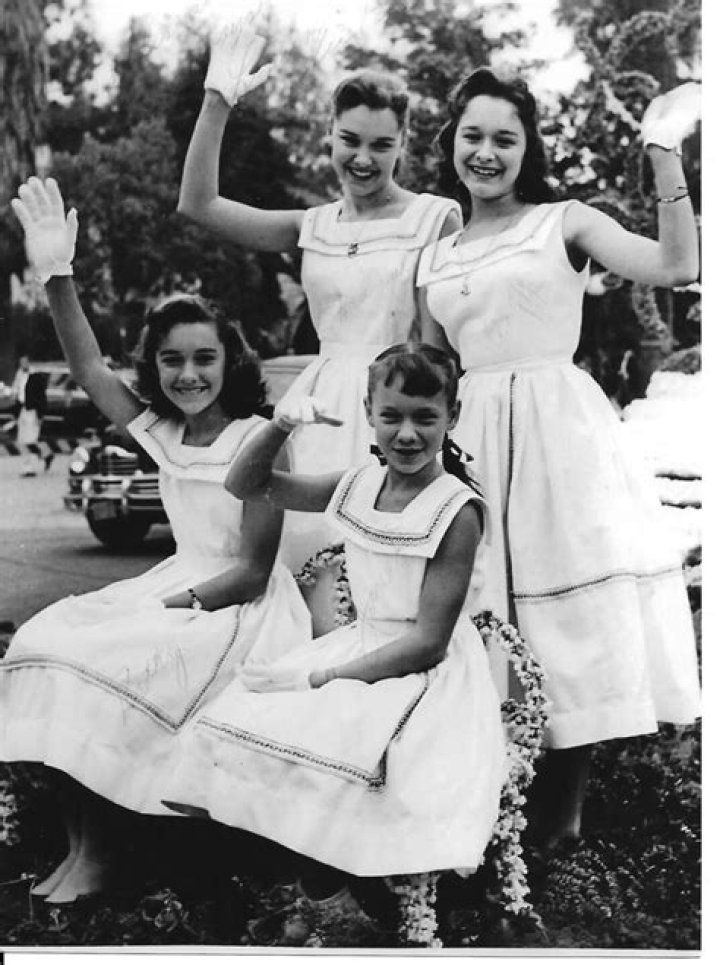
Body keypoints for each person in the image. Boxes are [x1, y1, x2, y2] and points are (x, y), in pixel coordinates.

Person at [0, 177, 312, 903]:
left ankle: (107, 853)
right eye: (172, 360)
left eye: (204, 358)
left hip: (236, 609)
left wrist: (169, 606)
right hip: (174, 586)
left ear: (230, 361)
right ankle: (82, 846)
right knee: (44, 643)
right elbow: (88, 370)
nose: (188, 374)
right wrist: (57, 274)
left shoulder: (258, 438)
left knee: (105, 660)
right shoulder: (164, 432)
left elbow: (253, 571)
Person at [416, 68, 702, 851]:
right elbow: (430, 368)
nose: (486, 152)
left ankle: (561, 824)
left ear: (528, 148)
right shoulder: (434, 256)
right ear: (451, 144)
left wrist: (662, 153)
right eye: (473, 136)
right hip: (472, 442)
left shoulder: (563, 222)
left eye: (505, 138)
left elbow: (676, 266)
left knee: (564, 623)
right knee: (484, 618)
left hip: (557, 436)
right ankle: (497, 808)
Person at [161, 344, 507, 934]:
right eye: (391, 415)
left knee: (336, 737)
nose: (406, 434)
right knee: (236, 721)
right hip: (359, 647)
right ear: (369, 411)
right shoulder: (357, 483)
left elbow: (428, 642)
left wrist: (326, 677)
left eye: (425, 417)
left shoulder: (456, 511)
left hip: (422, 673)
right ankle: (314, 892)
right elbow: (246, 484)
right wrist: (280, 426)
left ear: (452, 415)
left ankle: (347, 901)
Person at [177, 25, 462, 567]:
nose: (363, 158)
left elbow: (435, 352)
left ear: (402, 144)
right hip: (318, 407)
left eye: (381, 145)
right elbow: (199, 204)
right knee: (306, 558)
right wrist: (216, 101)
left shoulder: (434, 218)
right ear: (329, 133)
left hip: (395, 402)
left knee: (383, 559)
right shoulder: (312, 225)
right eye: (350, 140)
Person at [11, 355, 50, 476]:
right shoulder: (19, 375)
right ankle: (46, 455)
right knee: (22, 439)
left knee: (30, 440)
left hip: (33, 411)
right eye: (21, 363)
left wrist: (40, 415)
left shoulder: (36, 377)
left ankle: (30, 468)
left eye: (25, 362)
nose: (23, 365)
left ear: (29, 362)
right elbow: (16, 392)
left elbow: (41, 397)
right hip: (23, 409)